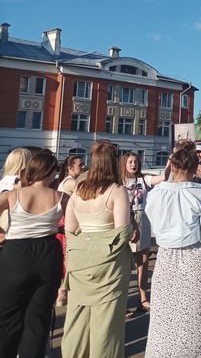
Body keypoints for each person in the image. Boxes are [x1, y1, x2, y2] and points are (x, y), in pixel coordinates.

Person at [145, 140, 201, 357]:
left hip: (166, 259)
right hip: (196, 257)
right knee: (196, 318)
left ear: (172, 167)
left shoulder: (155, 194)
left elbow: (153, 224)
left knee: (166, 318)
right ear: (194, 169)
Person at [61, 140, 132, 358]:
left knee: (76, 321)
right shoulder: (117, 190)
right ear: (114, 162)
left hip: (81, 261)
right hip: (109, 264)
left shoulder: (79, 189)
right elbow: (122, 232)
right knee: (107, 324)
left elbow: (71, 227)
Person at [0, 150, 66, 358]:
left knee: (8, 317)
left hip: (15, 254)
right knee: (38, 319)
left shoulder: (12, 195)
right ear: (50, 172)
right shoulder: (62, 197)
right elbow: (74, 226)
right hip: (47, 254)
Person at [119, 152, 165, 315]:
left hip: (142, 217)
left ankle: (143, 297)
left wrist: (172, 159)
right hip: (124, 218)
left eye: (136, 161)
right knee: (124, 263)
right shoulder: (119, 182)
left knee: (143, 261)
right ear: (124, 164)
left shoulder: (143, 179)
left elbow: (163, 178)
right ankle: (121, 301)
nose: (133, 164)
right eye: (130, 162)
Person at [54, 154, 84, 307]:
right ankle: (62, 292)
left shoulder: (66, 181)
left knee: (65, 259)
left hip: (64, 221)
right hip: (67, 222)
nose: (83, 166)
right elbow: (85, 191)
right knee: (67, 259)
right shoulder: (71, 182)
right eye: (80, 165)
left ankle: (61, 292)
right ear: (70, 168)